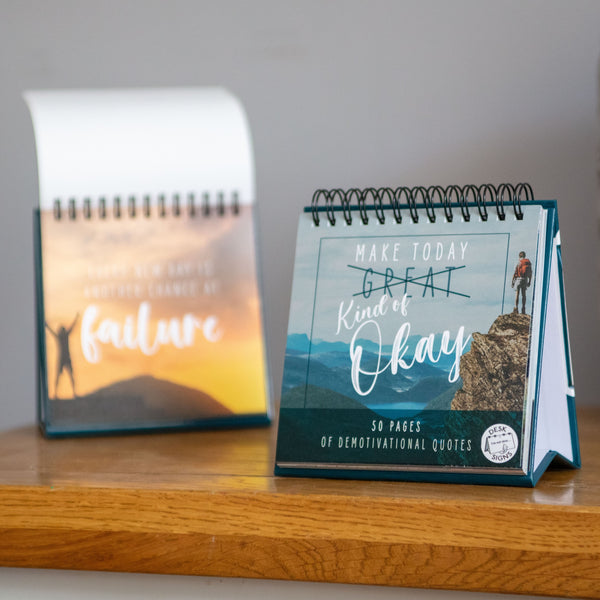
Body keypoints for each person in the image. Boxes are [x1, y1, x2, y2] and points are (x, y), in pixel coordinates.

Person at [46, 313, 79, 399]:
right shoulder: (61, 337)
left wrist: (76, 318)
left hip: (64, 357)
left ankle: (72, 393)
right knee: (61, 377)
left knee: (68, 376)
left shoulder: (61, 337)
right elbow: (72, 327)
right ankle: (57, 394)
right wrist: (76, 318)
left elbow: (72, 327)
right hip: (63, 357)